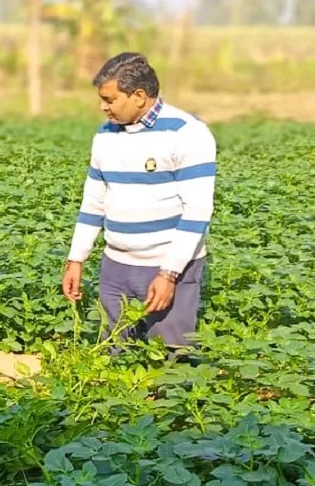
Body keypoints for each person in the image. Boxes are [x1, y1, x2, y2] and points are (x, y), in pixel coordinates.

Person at [62, 52, 216, 351]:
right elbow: (94, 201)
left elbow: (197, 210)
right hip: (115, 266)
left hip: (167, 266)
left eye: (109, 99)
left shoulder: (187, 133)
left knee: (171, 357)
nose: (102, 107)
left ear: (139, 96)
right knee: (113, 352)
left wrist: (169, 273)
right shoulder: (105, 135)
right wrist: (76, 258)